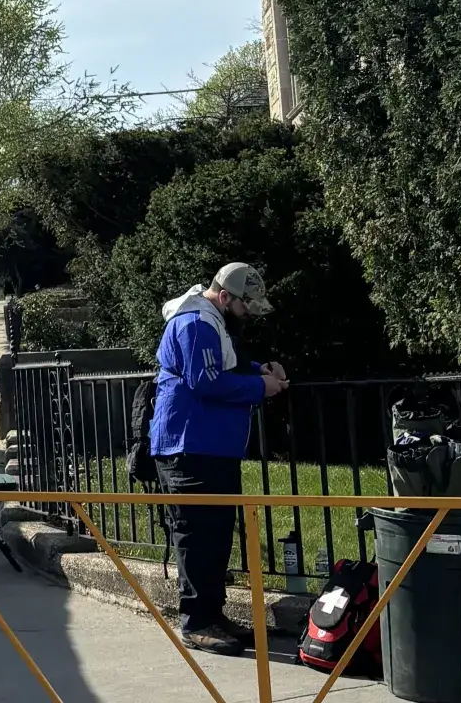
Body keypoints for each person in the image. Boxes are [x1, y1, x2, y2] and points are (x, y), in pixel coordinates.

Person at [150, 263, 287, 656]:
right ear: (225, 297)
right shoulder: (196, 323)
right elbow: (207, 381)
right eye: (246, 307)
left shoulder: (209, 321)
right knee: (198, 536)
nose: (248, 315)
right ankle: (196, 622)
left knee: (214, 534)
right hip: (189, 448)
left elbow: (222, 364)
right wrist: (261, 386)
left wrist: (256, 369)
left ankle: (213, 614)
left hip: (205, 447)